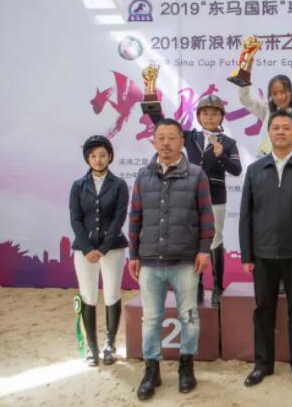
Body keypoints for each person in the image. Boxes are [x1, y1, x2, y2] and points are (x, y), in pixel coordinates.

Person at [127, 119, 215, 400]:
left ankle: (186, 368)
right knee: (151, 318)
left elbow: (206, 216)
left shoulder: (197, 175)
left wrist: (204, 250)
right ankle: (151, 371)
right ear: (154, 141)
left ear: (181, 142)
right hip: (150, 261)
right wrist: (133, 253)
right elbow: (135, 217)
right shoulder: (143, 176)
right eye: (161, 137)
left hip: (185, 261)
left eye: (171, 138)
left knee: (188, 316)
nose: (166, 143)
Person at [239, 109, 292, 389]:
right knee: (263, 309)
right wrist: (247, 255)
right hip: (263, 255)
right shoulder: (255, 170)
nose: (281, 132)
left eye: (287, 128)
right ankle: (262, 364)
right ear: (269, 132)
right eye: (276, 127)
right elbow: (246, 216)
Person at [141, 94, 242, 306]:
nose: (210, 117)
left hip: (216, 197)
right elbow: (164, 125)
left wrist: (222, 156)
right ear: (198, 116)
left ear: (222, 117)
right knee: (194, 239)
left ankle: (217, 287)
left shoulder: (229, 143)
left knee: (215, 239)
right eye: (205, 113)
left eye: (214, 114)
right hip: (190, 193)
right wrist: (151, 103)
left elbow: (236, 169)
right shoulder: (189, 136)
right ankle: (197, 286)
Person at [69, 135, 128, 366]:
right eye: (93, 156)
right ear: (87, 158)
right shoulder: (78, 185)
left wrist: (102, 248)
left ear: (110, 156)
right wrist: (87, 248)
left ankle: (109, 344)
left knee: (112, 294)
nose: (98, 159)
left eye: (102, 155)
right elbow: (75, 219)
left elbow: (119, 218)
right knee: (88, 296)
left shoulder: (119, 185)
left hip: (112, 248)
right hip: (84, 250)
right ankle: (91, 348)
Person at [237, 73, 292, 158]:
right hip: (263, 162)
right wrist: (244, 73)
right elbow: (245, 99)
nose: (279, 97)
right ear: (271, 96)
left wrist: (289, 140)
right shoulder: (266, 112)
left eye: (282, 92)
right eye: (275, 94)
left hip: (289, 164)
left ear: (291, 91)